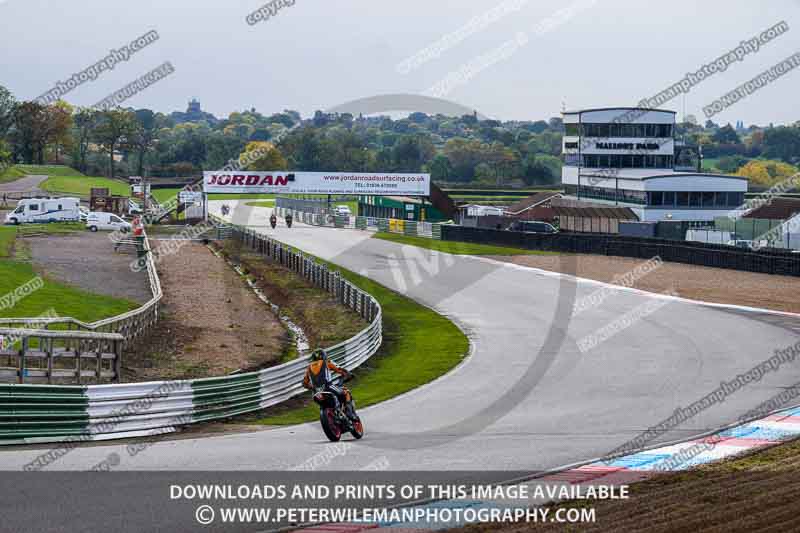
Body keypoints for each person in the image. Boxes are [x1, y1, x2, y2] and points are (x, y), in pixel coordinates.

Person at [302, 349, 355, 419]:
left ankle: (334, 416)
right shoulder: (327, 362)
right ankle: (349, 413)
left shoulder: (309, 368)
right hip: (328, 387)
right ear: (324, 356)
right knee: (346, 392)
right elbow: (339, 369)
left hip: (316, 394)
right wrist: (348, 374)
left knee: (322, 404)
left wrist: (312, 387)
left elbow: (304, 383)